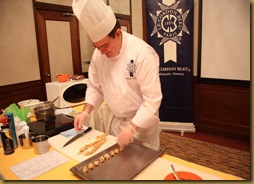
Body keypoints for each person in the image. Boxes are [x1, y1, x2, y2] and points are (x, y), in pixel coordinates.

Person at [72, 0, 162, 147]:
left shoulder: (142, 53)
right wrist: (85, 112)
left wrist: (132, 127)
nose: (101, 51)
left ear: (118, 34)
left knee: (145, 165)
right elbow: (95, 87)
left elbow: (152, 99)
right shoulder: (98, 55)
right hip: (117, 122)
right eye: (96, 46)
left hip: (141, 124)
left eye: (105, 45)